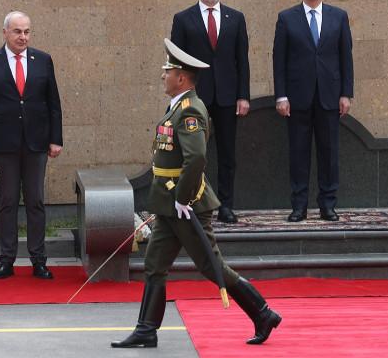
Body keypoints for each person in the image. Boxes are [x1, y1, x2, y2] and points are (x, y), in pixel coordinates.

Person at [112, 39, 281, 349]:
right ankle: (146, 329)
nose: (162, 76)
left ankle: (263, 313)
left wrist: (182, 198)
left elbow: (196, 158)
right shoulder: (177, 107)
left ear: (181, 77)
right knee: (154, 264)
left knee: (211, 266)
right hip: (169, 205)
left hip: (185, 204)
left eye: (167, 72)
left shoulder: (190, 110)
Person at [0, 11, 63, 280]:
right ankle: (6, 260)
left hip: (37, 143)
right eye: (17, 31)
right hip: (5, 144)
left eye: (27, 31)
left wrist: (55, 138)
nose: (23, 37)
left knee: (35, 201)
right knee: (8, 202)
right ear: (5, 33)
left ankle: (39, 260)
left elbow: (53, 103)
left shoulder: (43, 60)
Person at [273, 0, 354, 222]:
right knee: (298, 154)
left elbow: (346, 57)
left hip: (330, 97)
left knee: (329, 154)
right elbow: (279, 60)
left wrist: (346, 93)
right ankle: (299, 206)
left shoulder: (338, 16)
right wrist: (281, 95)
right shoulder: (286, 18)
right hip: (297, 99)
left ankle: (328, 205)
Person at [170, 0, 250, 224]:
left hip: (227, 96)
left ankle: (226, 206)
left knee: (227, 154)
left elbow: (242, 60)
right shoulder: (183, 19)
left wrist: (243, 96)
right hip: (195, 98)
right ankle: (194, 203)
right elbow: (176, 62)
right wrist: (178, 97)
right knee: (194, 153)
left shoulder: (235, 18)